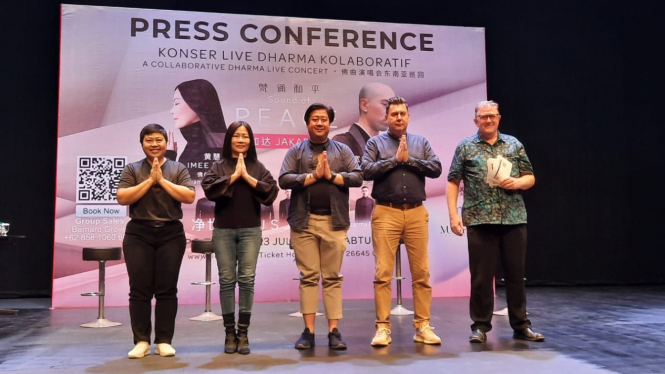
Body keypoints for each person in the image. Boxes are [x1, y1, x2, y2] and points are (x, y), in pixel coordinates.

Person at [446, 100, 545, 344]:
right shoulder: (465, 147)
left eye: (492, 116)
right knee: (480, 276)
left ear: (499, 118)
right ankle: (480, 326)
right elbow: (452, 181)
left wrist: (518, 183)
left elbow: (530, 177)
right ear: (475, 120)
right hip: (479, 219)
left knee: (516, 275)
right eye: (483, 116)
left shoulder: (513, 144)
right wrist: (453, 215)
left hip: (513, 218)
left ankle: (521, 324)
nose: (488, 120)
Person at [279, 103, 363, 350]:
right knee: (308, 277)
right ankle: (308, 331)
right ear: (307, 123)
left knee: (332, 277)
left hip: (334, 222)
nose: (319, 123)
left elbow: (357, 176)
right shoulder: (296, 151)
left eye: (324, 119)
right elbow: (283, 178)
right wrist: (311, 177)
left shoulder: (343, 150)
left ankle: (334, 332)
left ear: (330, 123)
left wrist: (333, 177)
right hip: (303, 222)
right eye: (314, 119)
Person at [362, 96, 443, 346]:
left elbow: (436, 168)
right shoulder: (375, 142)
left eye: (402, 114)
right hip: (386, 212)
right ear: (386, 117)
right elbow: (365, 170)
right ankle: (383, 328)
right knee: (383, 274)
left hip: (417, 212)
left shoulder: (421, 142)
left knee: (421, 273)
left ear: (408, 116)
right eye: (394, 114)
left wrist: (411, 160)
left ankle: (422, 326)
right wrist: (394, 161)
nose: (398, 118)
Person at [117, 124, 196, 359]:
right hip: (138, 234)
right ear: (142, 144)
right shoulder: (132, 169)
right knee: (139, 289)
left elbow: (189, 196)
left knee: (167, 289)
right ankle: (141, 341)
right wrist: (149, 181)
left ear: (166, 143)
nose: (154, 144)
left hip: (171, 233)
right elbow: (122, 197)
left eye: (158, 140)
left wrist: (161, 181)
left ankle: (163, 340)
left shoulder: (177, 168)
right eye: (149, 140)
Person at [201, 121, 278, 355]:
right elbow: (208, 189)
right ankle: (229, 333)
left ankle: (243, 332)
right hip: (223, 230)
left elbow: (271, 192)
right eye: (237, 136)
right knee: (226, 280)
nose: (241, 140)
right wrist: (234, 176)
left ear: (250, 140)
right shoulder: (218, 166)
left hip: (250, 230)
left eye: (245, 136)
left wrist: (247, 177)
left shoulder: (257, 166)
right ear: (229, 140)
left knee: (246, 279)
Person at [169, 78, 227, 220]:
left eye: (176, 103)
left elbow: (171, 191)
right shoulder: (199, 144)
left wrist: (169, 158)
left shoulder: (206, 148)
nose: (172, 111)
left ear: (197, 104)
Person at [332, 82, 396, 161]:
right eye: (385, 104)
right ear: (364, 105)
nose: (391, 112)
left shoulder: (388, 148)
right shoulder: (341, 143)